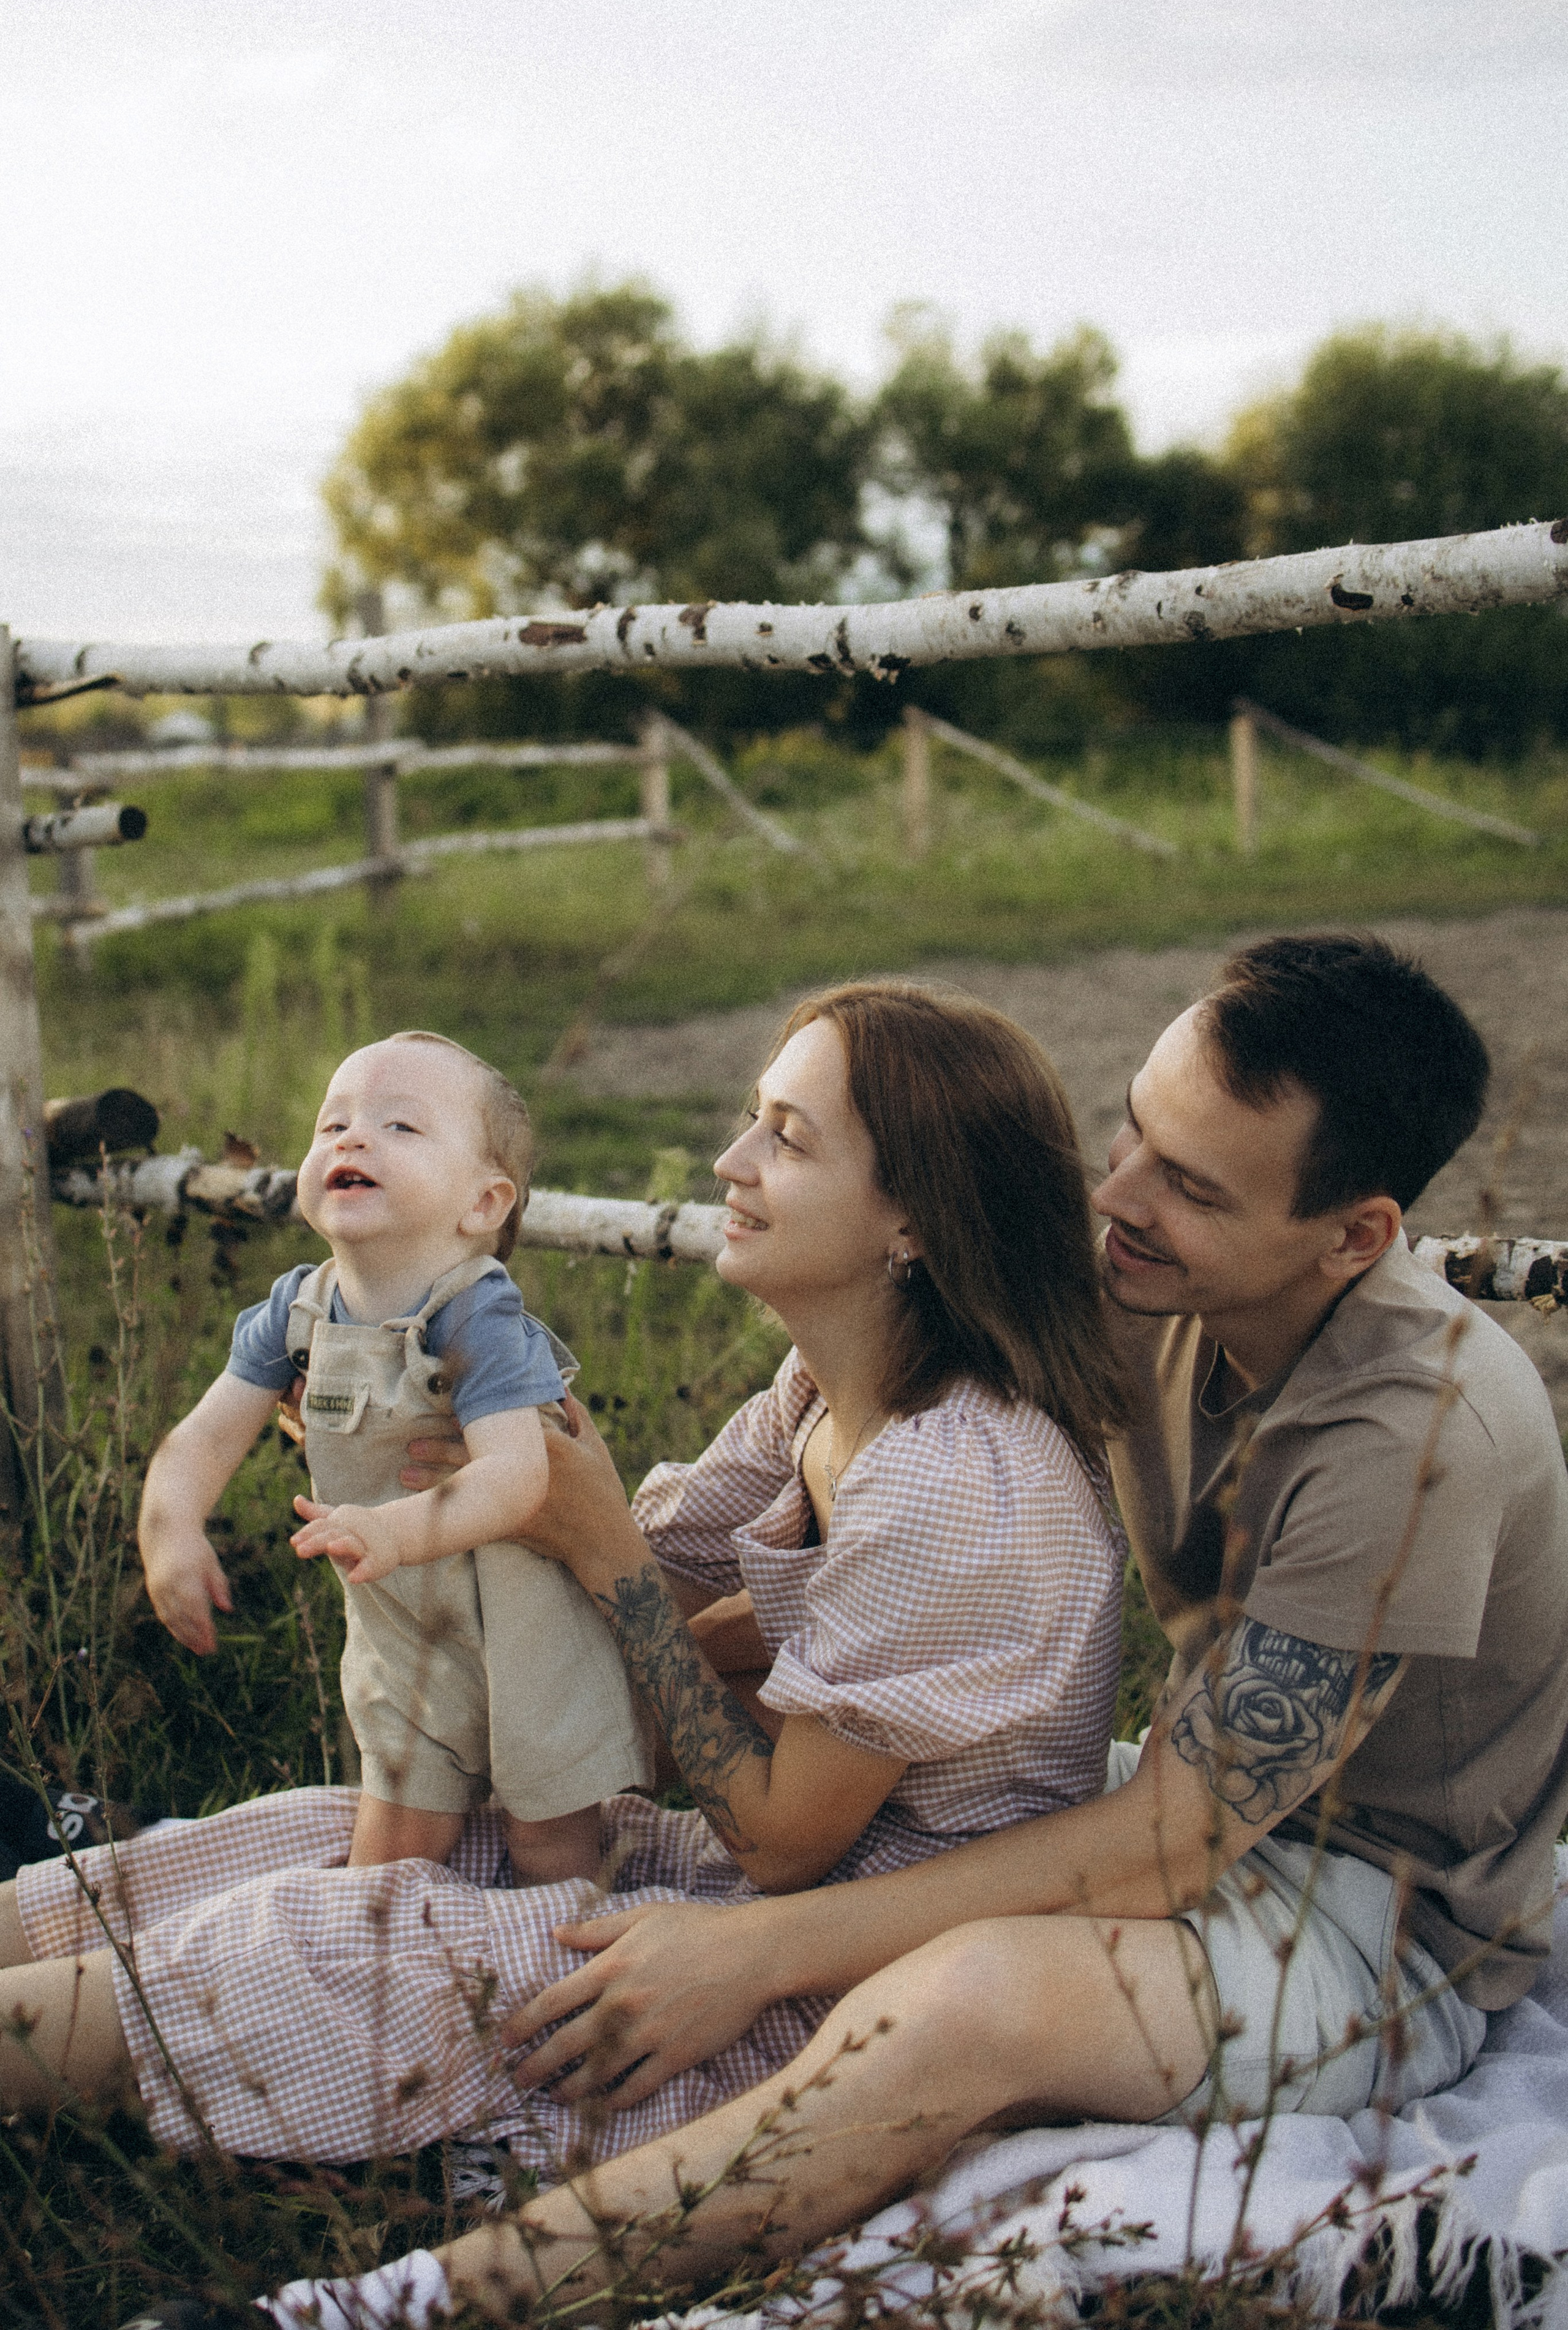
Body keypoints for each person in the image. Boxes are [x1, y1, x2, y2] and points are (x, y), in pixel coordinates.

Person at [217, 929, 1568, 2330]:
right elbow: (854, 1491)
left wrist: (755, 1948)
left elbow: (1176, 1838)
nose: (1112, 1199)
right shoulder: (1153, 1282)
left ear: (1353, 1235)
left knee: (967, 1996)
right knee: (554, 1788)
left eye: (1190, 1185)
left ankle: (392, 2308)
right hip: (1178, 1788)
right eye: (1132, 1133)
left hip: (1374, 1921)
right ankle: (187, 1949)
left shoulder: (1411, 1433)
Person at [0, 983, 1129, 2212]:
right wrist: (412, 1448)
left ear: (913, 1220)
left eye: (787, 1138)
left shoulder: (955, 1479)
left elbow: (778, 1830)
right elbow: (609, 1563)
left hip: (843, 1972)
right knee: (315, 1833)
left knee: (343, 1947)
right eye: (753, 1120)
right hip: (746, 1880)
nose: (729, 1159)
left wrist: (603, 1550)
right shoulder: (819, 1391)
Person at [136, 1029, 650, 1886]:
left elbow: (516, 1477)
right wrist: (171, 1527)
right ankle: (383, 1980)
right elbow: (202, 1437)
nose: (352, 1138)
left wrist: (395, 1529)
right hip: (402, 1627)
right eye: (331, 1123)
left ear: (484, 1204)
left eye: (400, 1127)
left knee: (550, 1846)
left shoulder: (476, 1317)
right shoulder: (297, 1311)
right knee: (393, 1847)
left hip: (524, 1625)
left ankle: (553, 1976)